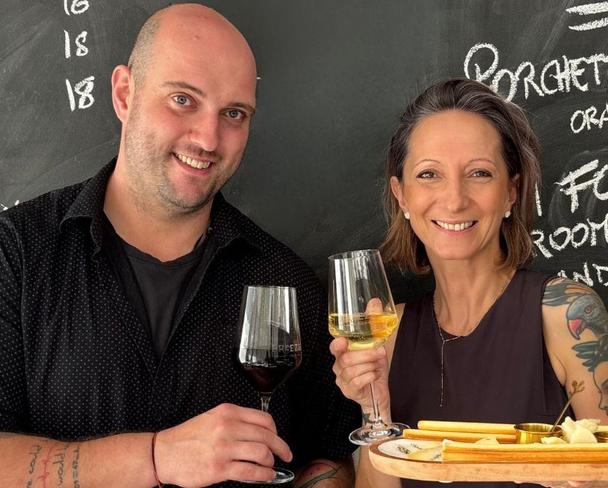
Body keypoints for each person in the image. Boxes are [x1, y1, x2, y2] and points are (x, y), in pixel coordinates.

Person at [0, 4, 359, 487]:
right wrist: (156, 458)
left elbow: (331, 456)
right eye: (183, 100)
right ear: (125, 93)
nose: (208, 138)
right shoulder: (16, 254)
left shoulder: (286, 281)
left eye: (233, 113)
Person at [329, 78, 608, 488]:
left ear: (511, 191)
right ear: (401, 195)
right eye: (429, 174)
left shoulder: (568, 314)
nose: (454, 199)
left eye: (479, 173)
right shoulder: (387, 333)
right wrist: (377, 413)